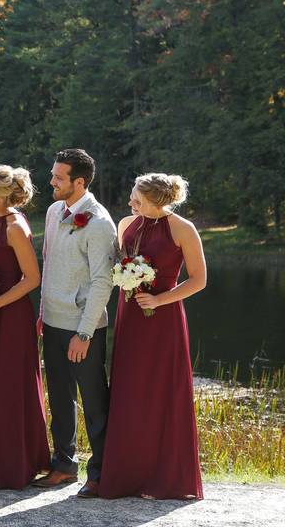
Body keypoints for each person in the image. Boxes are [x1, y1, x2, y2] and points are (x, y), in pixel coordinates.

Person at [99, 173, 206, 500]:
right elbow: (119, 265)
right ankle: (127, 475)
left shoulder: (183, 228)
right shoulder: (125, 223)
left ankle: (164, 479)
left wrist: (160, 299)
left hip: (163, 321)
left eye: (138, 199)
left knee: (160, 392)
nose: (131, 202)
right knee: (129, 392)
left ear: (158, 201)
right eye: (132, 196)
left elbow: (199, 280)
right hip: (130, 317)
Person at [32, 148, 116, 498]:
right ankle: (64, 465)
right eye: (53, 175)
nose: (51, 181)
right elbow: (48, 263)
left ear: (79, 183)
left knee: (95, 402)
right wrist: (42, 310)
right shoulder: (54, 212)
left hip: (85, 327)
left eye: (58, 177)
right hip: (52, 321)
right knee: (60, 398)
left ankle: (100, 472)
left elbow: (102, 281)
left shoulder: (98, 223)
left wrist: (84, 331)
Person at [0, 165, 50, 489]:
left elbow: (32, 278)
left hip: (11, 315)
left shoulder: (14, 226)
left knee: (12, 387)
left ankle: (18, 465)